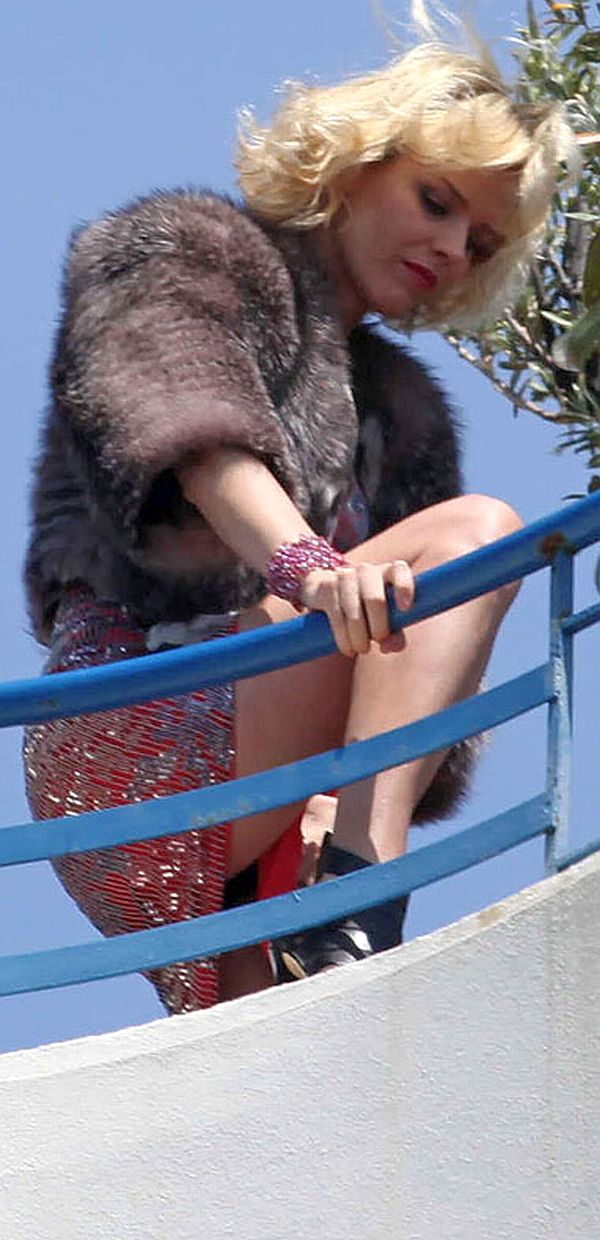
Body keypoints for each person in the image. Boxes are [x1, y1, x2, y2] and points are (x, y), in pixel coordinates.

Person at [23, 35, 577, 1011]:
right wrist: (312, 569)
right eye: (437, 201)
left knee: (292, 1057)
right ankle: (365, 887)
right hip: (137, 718)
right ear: (355, 165)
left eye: (481, 243)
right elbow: (190, 430)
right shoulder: (187, 250)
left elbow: (415, 674)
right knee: (477, 534)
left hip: (283, 779)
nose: (454, 248)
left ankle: (341, 903)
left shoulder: (401, 413)